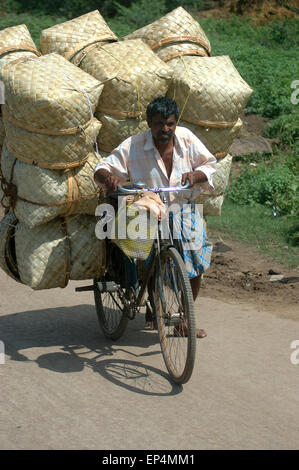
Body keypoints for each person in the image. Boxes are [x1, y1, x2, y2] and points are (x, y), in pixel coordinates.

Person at [94, 97, 217, 338]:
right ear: (149, 123)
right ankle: (150, 300)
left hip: (181, 207)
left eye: (170, 124)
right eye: (159, 124)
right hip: (146, 209)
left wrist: (196, 175)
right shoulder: (134, 144)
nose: (165, 129)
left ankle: (184, 318)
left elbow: (210, 165)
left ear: (175, 122)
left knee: (196, 259)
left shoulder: (187, 139)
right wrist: (110, 178)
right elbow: (102, 167)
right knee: (141, 257)